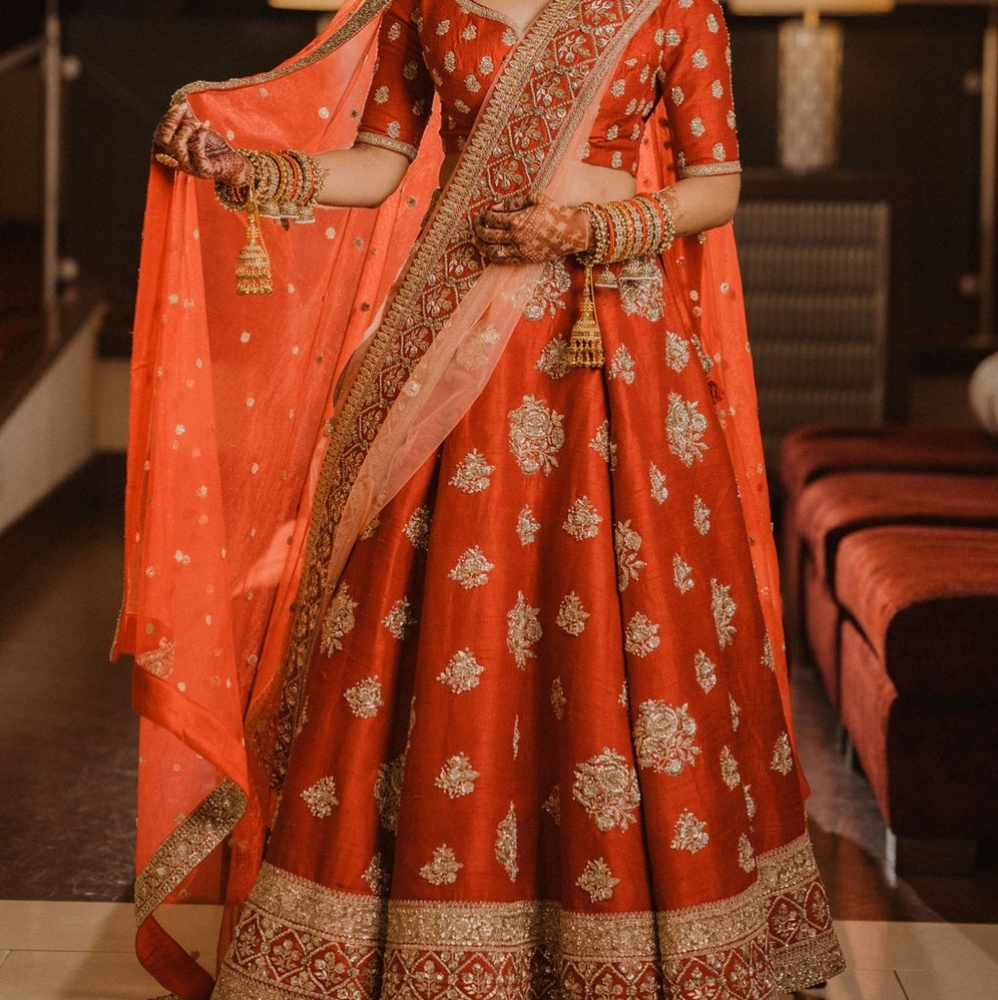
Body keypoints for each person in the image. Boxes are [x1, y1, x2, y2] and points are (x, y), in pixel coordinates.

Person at [115, 1, 846, 998]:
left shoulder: (671, 6)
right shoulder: (423, 2)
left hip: (611, 342)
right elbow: (380, 160)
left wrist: (588, 226)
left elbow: (715, 186)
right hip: (454, 345)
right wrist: (258, 170)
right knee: (443, 626)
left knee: (626, 631)